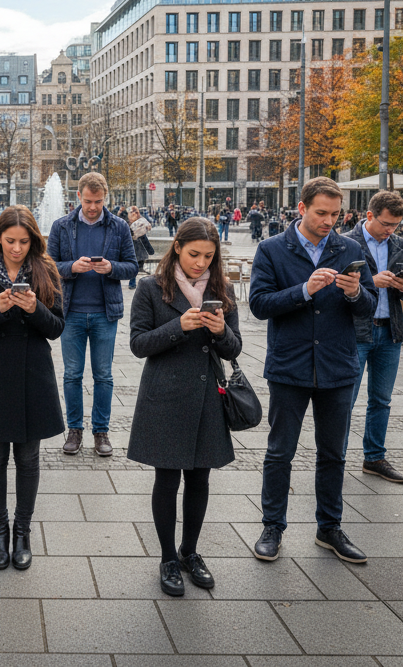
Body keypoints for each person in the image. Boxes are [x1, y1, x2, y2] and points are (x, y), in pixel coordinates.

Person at [248, 177, 375, 565]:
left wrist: (354, 292)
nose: (329, 221)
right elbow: (258, 304)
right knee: (279, 452)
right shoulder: (272, 249)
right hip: (290, 365)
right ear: (301, 208)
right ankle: (273, 526)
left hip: (337, 365)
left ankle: (329, 527)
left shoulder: (349, 247)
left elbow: (369, 307)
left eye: (336, 214)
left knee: (334, 453)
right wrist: (304, 290)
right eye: (322, 213)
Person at [129, 217, 241, 596]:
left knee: (200, 478)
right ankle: (167, 558)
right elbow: (139, 344)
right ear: (177, 247)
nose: (200, 263)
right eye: (194, 254)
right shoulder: (150, 288)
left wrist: (220, 331)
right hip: (165, 394)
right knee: (167, 478)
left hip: (207, 394)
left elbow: (235, 348)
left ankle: (190, 552)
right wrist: (182, 326)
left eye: (208, 257)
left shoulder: (222, 290)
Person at [0, 206, 64, 570]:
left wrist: (35, 308)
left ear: (33, 240)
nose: (16, 248)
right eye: (9, 241)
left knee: (28, 458)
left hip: (32, 373)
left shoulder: (46, 270)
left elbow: (56, 328)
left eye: (23, 242)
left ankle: (23, 531)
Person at [47, 172, 138, 457]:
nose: (92, 207)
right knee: (72, 375)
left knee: (104, 376)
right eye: (88, 201)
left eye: (98, 202)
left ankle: (101, 432)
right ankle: (74, 430)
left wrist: (111, 268)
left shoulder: (119, 226)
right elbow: (48, 265)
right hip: (71, 311)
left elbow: (132, 266)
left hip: (104, 313)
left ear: (105, 198)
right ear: (78, 196)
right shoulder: (61, 226)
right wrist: (71, 268)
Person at [346, 191, 403, 485]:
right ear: (369, 215)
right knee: (345, 400)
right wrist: (370, 282)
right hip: (356, 331)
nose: (391, 230)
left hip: (390, 330)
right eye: (386, 224)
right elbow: (333, 288)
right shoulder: (346, 242)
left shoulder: (401, 245)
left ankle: (374, 457)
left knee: (382, 400)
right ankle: (334, 457)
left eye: (396, 225)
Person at [127, 205, 154, 290]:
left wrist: (150, 250)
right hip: (135, 251)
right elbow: (144, 239)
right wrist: (150, 251)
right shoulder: (138, 224)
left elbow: (144, 239)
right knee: (136, 267)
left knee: (135, 267)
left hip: (135, 250)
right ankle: (134, 283)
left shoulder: (138, 225)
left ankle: (133, 283)